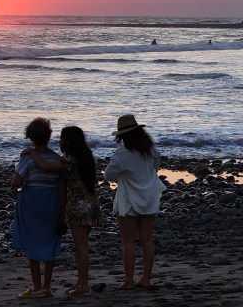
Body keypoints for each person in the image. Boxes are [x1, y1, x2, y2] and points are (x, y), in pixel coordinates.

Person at [30, 126, 102, 296]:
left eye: (61, 137)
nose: (59, 140)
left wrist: (32, 153)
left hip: (78, 205)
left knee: (81, 246)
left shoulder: (68, 160)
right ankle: (81, 282)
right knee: (83, 244)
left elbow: (45, 166)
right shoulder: (86, 156)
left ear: (67, 140)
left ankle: (83, 285)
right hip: (90, 203)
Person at [104, 114, 166, 290]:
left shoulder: (122, 154)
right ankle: (145, 278)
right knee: (147, 239)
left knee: (128, 241)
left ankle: (129, 280)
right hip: (150, 197)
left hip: (128, 199)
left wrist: (122, 177)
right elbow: (155, 169)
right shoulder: (151, 149)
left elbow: (108, 175)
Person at [11, 117, 65, 298]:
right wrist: (62, 209)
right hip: (52, 201)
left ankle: (37, 286)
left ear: (30, 137)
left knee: (32, 241)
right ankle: (47, 286)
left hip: (31, 201)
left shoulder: (27, 158)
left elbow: (16, 181)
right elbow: (61, 186)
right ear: (50, 135)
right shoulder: (57, 159)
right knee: (50, 240)